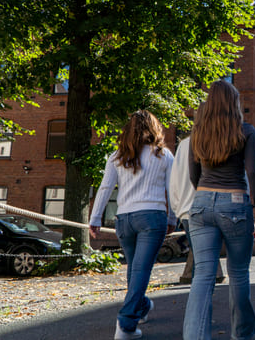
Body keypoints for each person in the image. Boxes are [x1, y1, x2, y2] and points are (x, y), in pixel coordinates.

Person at [183, 80, 255, 340]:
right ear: (234, 103)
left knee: (203, 275)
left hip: (201, 203)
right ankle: (242, 335)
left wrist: (206, 195)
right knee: (238, 272)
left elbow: (192, 174)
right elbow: (252, 171)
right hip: (236, 204)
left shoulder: (197, 132)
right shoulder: (246, 131)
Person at [89, 110, 177, 340]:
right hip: (152, 217)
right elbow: (172, 190)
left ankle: (143, 307)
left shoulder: (117, 155)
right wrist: (172, 219)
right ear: (155, 128)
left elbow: (105, 188)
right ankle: (126, 324)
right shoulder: (164, 155)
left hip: (124, 219)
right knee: (140, 270)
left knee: (134, 269)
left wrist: (95, 218)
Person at [169, 136, 225, 283]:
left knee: (202, 263)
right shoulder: (224, 139)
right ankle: (202, 303)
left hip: (187, 211)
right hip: (217, 208)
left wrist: (177, 210)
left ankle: (199, 302)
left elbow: (173, 181)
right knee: (206, 265)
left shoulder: (184, 144)